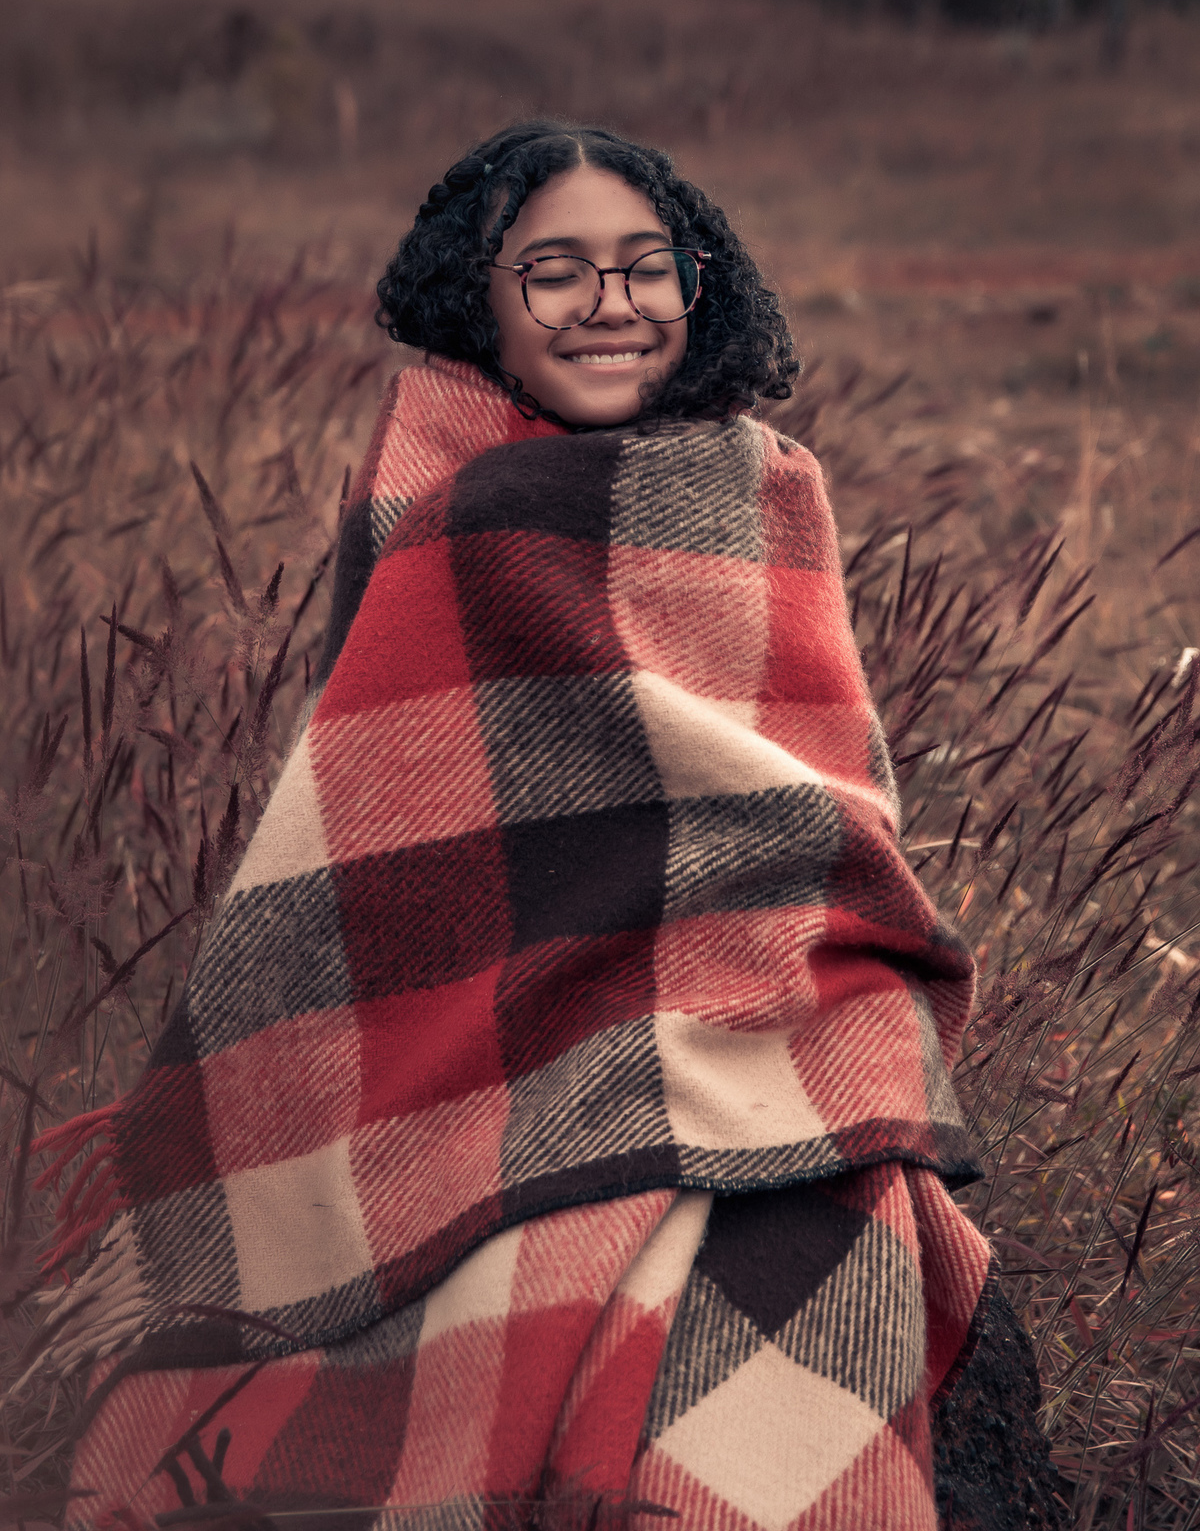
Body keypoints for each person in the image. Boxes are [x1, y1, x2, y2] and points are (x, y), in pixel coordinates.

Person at [36, 121, 1062, 1529]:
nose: (608, 306)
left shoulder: (767, 487)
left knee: (838, 1189)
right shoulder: (455, 510)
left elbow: (823, 789)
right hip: (504, 1018)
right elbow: (389, 826)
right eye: (556, 272)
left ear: (697, 282)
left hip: (762, 977)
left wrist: (776, 960)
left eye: (646, 267)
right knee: (592, 1226)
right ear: (485, 300)